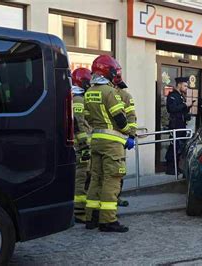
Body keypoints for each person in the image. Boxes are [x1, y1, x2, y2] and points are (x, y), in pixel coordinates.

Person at [84, 55, 134, 233]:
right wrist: (128, 133)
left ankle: (91, 218)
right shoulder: (109, 92)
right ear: (108, 71)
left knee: (95, 179)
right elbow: (120, 119)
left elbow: (87, 117)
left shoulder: (89, 92)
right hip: (112, 144)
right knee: (111, 180)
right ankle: (108, 220)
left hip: (96, 141)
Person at [71, 67, 93, 224]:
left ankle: (82, 208)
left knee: (85, 177)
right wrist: (84, 145)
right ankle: (79, 211)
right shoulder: (78, 99)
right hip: (81, 147)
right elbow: (78, 124)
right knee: (81, 177)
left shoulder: (79, 97)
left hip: (82, 145)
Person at [114, 80, 138, 207]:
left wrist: (131, 135)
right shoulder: (101, 92)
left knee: (118, 171)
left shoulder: (125, 96)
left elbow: (131, 117)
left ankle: (116, 197)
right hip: (104, 140)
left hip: (119, 139)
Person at [165, 77, 192, 175]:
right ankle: (170, 167)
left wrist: (188, 108)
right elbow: (172, 108)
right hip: (175, 125)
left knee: (180, 147)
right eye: (185, 86)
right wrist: (185, 105)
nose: (186, 88)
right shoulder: (172, 95)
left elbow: (182, 111)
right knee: (174, 146)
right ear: (179, 85)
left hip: (181, 125)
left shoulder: (181, 96)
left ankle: (176, 167)